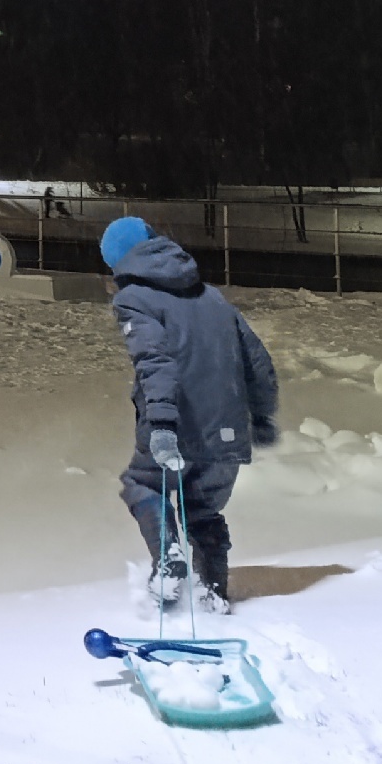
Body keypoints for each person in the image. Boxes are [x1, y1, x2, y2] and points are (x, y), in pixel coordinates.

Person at [102, 216, 280, 612]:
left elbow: (154, 361)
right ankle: (213, 594)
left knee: (143, 484)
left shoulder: (134, 299)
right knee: (204, 509)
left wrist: (163, 425)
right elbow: (258, 362)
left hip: (177, 424)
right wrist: (263, 417)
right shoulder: (214, 297)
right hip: (229, 431)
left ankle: (168, 561)